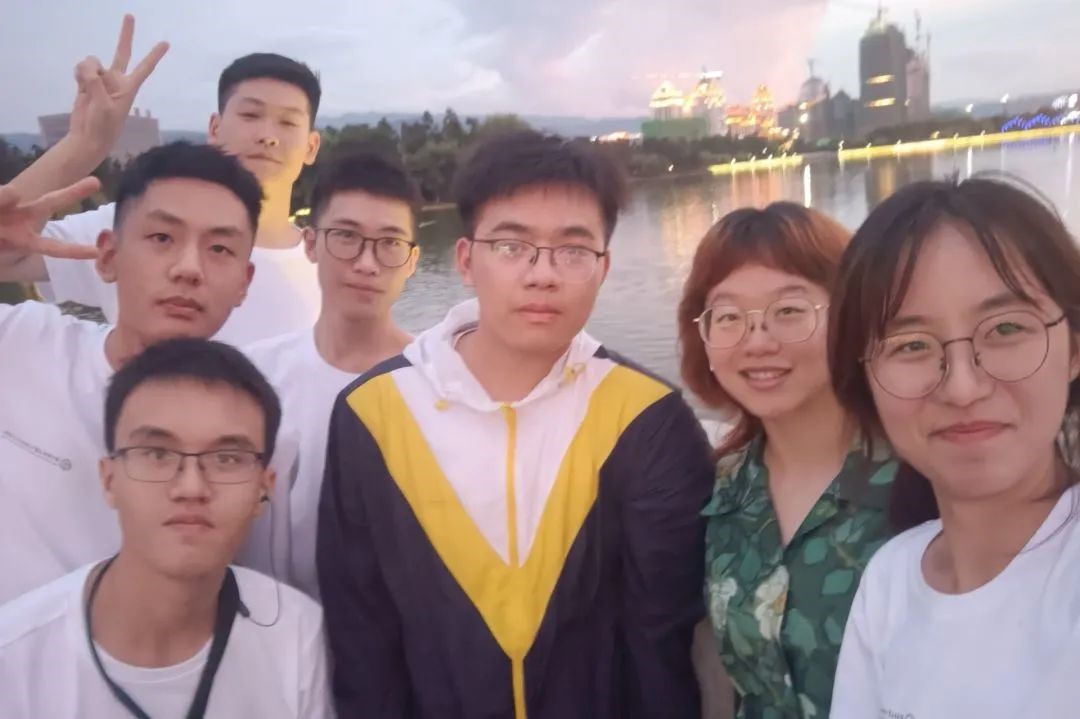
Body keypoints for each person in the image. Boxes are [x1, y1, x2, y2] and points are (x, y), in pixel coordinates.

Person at [317, 131, 714, 718]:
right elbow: (363, 643)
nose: (542, 274)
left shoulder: (645, 417)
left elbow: (659, 645)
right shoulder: (374, 414)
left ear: (604, 267)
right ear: (465, 260)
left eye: (573, 250)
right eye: (511, 246)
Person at [828, 177, 1080, 718]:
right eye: (911, 345)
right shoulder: (889, 582)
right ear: (865, 378)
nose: (963, 388)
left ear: (1074, 349)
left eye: (1006, 328)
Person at [0, 338, 330, 717]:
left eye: (226, 458)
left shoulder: (296, 634)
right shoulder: (15, 659)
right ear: (109, 479)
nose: (191, 487)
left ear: (264, 488)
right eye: (157, 454)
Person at [0, 141, 266, 605]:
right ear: (107, 257)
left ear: (244, 283)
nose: (189, 269)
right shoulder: (22, 342)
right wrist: (81, 147)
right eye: (162, 238)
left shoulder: (248, 429)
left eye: (220, 248)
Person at [676, 203, 897, 719]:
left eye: (789, 311)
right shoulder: (721, 489)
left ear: (851, 315)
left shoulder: (926, 482)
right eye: (728, 317)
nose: (757, 341)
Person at [0, 14, 322, 344]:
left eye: (288, 122)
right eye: (251, 115)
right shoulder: (138, 225)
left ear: (312, 146)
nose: (268, 135)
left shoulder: (333, 267)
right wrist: (84, 144)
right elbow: (9, 252)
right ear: (214, 128)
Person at [246, 152, 421, 597]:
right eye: (346, 236)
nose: (366, 263)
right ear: (310, 243)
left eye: (390, 243)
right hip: (273, 622)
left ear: (412, 260)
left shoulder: (439, 382)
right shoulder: (253, 379)